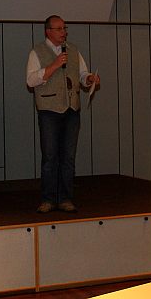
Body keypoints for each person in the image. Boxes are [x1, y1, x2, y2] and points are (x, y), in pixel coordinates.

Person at [26, 15, 100, 213]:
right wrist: (54, 65)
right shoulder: (37, 52)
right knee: (50, 157)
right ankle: (48, 200)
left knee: (68, 158)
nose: (63, 32)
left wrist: (89, 79)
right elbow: (31, 81)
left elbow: (82, 74)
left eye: (64, 28)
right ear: (48, 31)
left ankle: (65, 198)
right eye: (59, 29)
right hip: (49, 111)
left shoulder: (73, 50)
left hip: (71, 110)